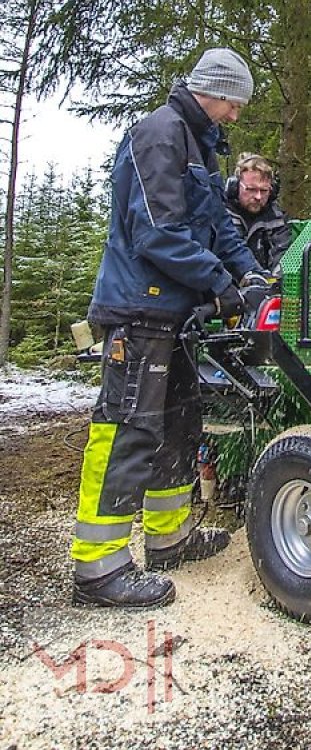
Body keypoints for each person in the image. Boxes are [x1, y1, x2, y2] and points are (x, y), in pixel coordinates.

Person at [71, 48, 270, 609]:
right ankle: (99, 569)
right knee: (129, 428)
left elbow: (218, 229)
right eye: (234, 104)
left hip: (178, 317)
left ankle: (169, 538)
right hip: (140, 311)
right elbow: (155, 233)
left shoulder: (200, 146)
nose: (235, 116)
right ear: (215, 90)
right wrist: (219, 284)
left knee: (180, 425)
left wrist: (250, 277)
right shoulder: (160, 135)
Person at [224, 152, 291, 278]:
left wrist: (276, 278)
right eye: (251, 189)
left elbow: (282, 252)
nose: (258, 197)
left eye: (264, 191)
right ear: (235, 186)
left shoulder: (276, 218)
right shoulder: (220, 215)